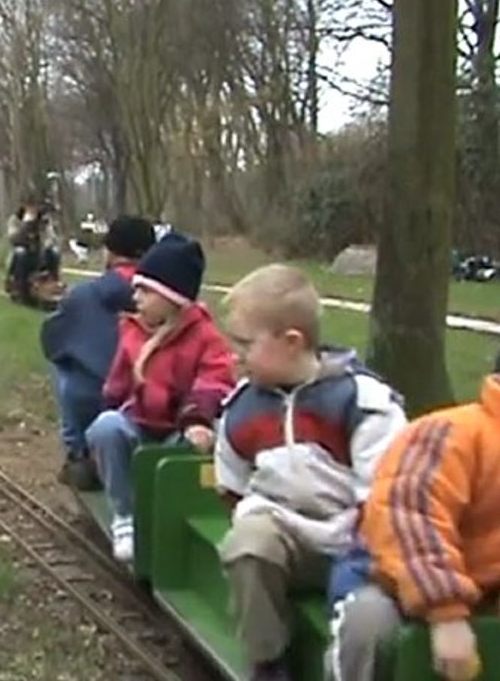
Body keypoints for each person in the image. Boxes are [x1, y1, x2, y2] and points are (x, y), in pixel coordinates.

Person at [212, 264, 406, 681]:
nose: (235, 355)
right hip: (289, 537)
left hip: (360, 544)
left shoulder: (361, 402)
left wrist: (361, 553)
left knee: (373, 621)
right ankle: (267, 661)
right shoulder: (241, 410)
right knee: (248, 542)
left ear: (292, 342)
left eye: (245, 343)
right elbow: (233, 486)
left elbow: (385, 494)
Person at [323, 372, 500, 681]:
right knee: (370, 627)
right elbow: (409, 517)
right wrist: (447, 612)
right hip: (398, 581)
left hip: (488, 589)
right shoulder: (452, 433)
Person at [85, 233, 236, 562]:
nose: (134, 295)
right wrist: (108, 405)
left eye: (144, 290)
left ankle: (168, 519)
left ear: (172, 296)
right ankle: (124, 514)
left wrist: (197, 419)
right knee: (106, 428)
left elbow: (214, 379)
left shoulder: (204, 337)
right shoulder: (132, 331)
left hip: (178, 426)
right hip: (140, 419)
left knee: (186, 454)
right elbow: (119, 379)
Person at [40, 216, 157, 490]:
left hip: (101, 403)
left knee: (63, 363)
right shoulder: (168, 298)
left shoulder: (84, 295)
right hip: (156, 407)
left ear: (110, 251)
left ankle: (78, 452)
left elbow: (52, 343)